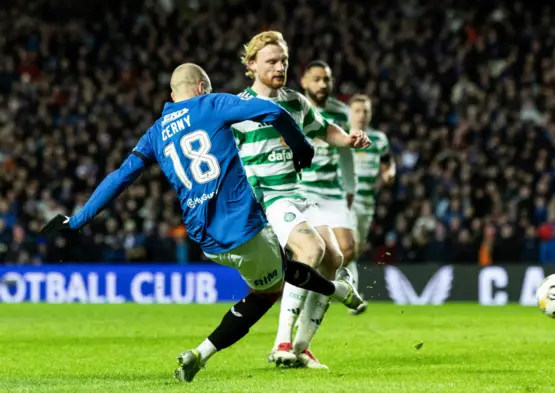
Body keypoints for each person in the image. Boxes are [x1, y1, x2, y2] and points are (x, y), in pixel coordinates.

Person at [39, 63, 364, 383]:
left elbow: (119, 177)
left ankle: (339, 291)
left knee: (276, 267)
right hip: (243, 227)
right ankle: (205, 352)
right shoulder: (212, 103)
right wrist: (302, 148)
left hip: (205, 239)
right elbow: (274, 112)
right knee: (269, 290)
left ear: (171, 94)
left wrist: (78, 219)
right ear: (200, 88)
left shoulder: (155, 132)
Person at [232, 31, 370, 369]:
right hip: (268, 197)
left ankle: (301, 347)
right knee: (311, 251)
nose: (280, 67)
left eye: (283, 61)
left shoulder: (295, 101)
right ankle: (281, 342)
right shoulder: (238, 107)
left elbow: (325, 130)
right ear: (251, 65)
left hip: (298, 193)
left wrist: (348, 140)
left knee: (333, 259)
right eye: (271, 61)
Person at [298, 62, 360, 312]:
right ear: (304, 82)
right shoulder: (295, 108)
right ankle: (301, 294)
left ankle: (317, 292)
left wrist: (350, 187)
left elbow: (347, 153)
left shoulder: (341, 112)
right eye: (317, 79)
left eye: (326, 79)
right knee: (309, 249)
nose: (322, 84)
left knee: (347, 248)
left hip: (332, 190)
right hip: (303, 188)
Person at [347, 94, 396, 314]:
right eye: (357, 110)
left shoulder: (379, 139)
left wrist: (389, 173)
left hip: (367, 202)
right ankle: (353, 295)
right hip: (344, 200)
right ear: (349, 113)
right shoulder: (342, 135)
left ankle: (338, 288)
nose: (361, 115)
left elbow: (387, 162)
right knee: (348, 246)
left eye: (365, 111)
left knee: (354, 250)